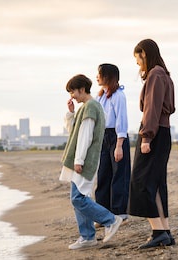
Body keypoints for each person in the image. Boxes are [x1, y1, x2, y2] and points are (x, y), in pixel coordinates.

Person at [59, 74, 123, 250]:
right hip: (83, 159)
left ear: (81, 89)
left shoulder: (91, 107)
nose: (72, 95)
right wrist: (71, 113)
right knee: (80, 196)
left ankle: (110, 220)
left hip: (85, 160)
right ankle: (87, 237)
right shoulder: (87, 107)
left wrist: (79, 160)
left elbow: (85, 137)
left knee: (78, 198)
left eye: (73, 91)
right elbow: (74, 131)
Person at [128, 39, 176, 249]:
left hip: (154, 133)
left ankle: (158, 231)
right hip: (163, 132)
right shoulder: (164, 74)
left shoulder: (156, 74)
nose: (137, 63)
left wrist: (146, 137)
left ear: (144, 54)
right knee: (155, 183)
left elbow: (152, 109)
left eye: (137, 58)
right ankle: (164, 231)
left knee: (141, 181)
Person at [94, 64, 131, 226]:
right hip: (103, 136)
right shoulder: (101, 96)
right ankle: (103, 214)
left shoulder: (119, 96)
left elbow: (122, 121)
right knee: (103, 175)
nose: (96, 76)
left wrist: (119, 145)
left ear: (107, 76)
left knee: (119, 175)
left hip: (117, 136)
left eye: (99, 74)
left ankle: (119, 212)